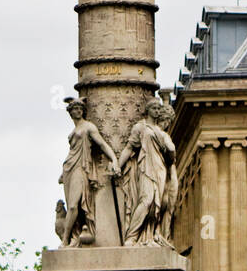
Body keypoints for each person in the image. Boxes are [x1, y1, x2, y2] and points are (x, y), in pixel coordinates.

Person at [116, 98, 177, 246]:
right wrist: (118, 165)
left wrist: (170, 150)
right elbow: (129, 148)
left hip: (160, 169)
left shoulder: (161, 133)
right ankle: (131, 236)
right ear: (147, 110)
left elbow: (171, 154)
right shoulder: (140, 128)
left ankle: (150, 235)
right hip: (146, 167)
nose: (157, 111)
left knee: (156, 205)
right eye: (154, 108)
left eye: (158, 108)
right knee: (146, 200)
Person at [60, 98, 120, 245]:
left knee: (74, 205)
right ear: (70, 112)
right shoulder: (74, 130)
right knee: (71, 205)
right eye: (75, 108)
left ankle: (65, 239)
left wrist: (114, 159)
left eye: (80, 108)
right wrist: (62, 173)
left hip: (82, 167)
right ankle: (75, 235)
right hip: (69, 167)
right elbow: (72, 151)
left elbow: (102, 144)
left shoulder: (88, 127)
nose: (78, 111)